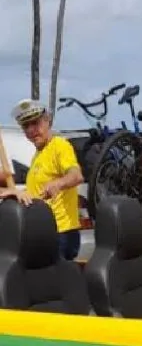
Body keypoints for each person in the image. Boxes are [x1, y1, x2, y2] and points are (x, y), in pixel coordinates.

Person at [12, 99, 83, 260]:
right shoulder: (38, 155)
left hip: (61, 233)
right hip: (43, 231)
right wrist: (16, 193)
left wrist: (59, 183)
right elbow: (36, 193)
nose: (31, 130)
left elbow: (76, 175)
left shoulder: (60, 145)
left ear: (47, 121)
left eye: (35, 123)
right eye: (26, 126)